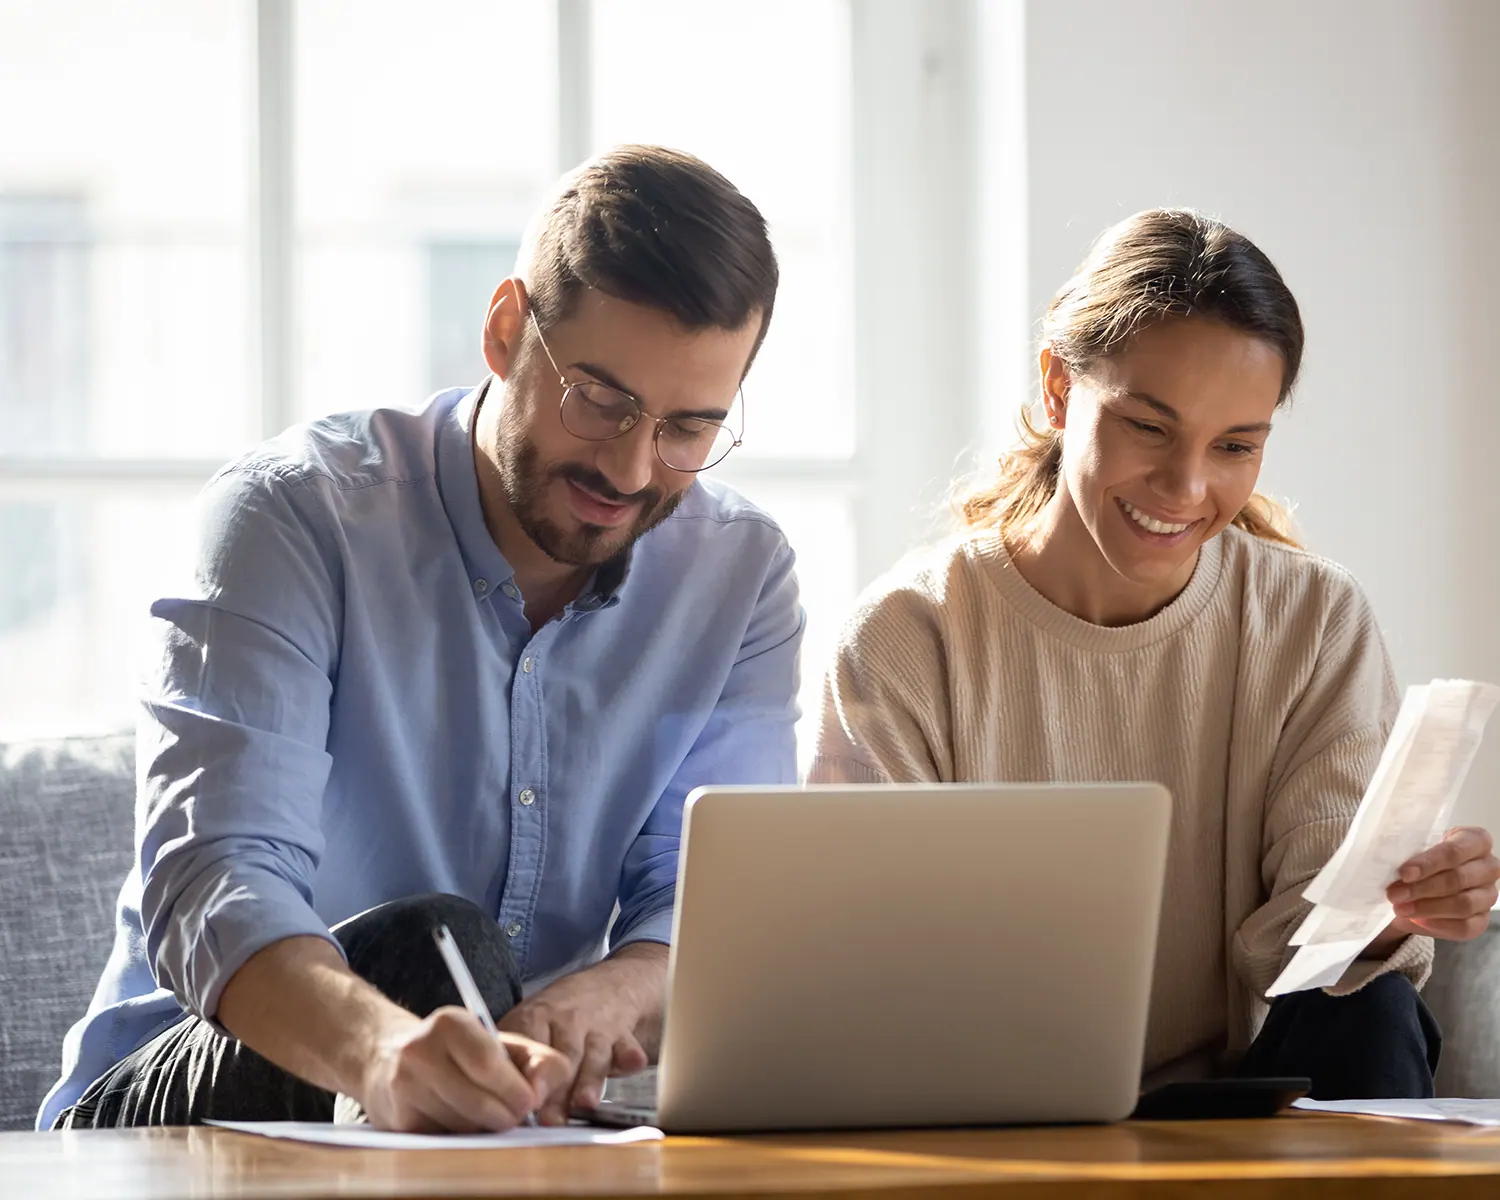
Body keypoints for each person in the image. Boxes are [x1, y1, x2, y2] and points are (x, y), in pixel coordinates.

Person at [41, 145, 804, 1132]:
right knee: (434, 947)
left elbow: (706, 909)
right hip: (176, 1102)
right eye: (601, 400)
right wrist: (386, 1053)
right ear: (503, 330)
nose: (630, 464)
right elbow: (216, 882)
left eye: (687, 429)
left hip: (491, 1118)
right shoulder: (292, 516)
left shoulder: (739, 577)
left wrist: (605, 997)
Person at [810, 208, 1500, 1100]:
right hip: (988, 1100)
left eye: (1235, 447)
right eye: (1148, 427)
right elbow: (870, 965)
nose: (1187, 488)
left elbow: (1318, 940)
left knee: (1374, 1011)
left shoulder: (1313, 621)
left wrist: (1389, 911)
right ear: (1060, 388)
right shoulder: (909, 639)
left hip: (1248, 1107)